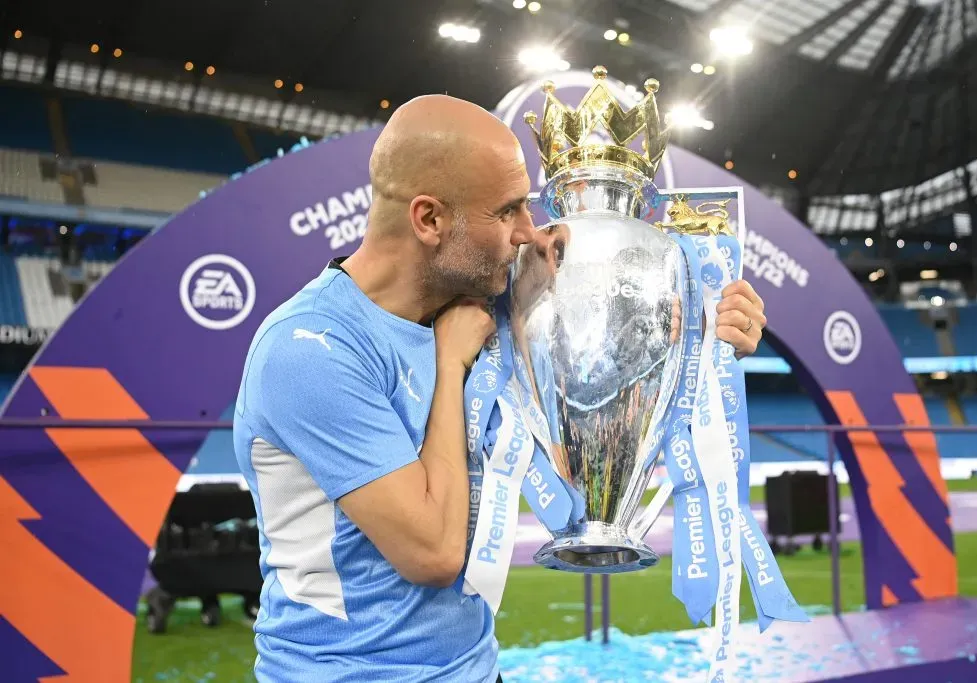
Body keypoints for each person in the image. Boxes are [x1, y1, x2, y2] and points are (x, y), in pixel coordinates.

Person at [232, 94, 768, 682]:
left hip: (476, 669)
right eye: (508, 211)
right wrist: (449, 364)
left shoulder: (473, 302)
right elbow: (433, 556)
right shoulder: (309, 349)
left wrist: (707, 330)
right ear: (429, 220)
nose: (526, 232)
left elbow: (611, 353)